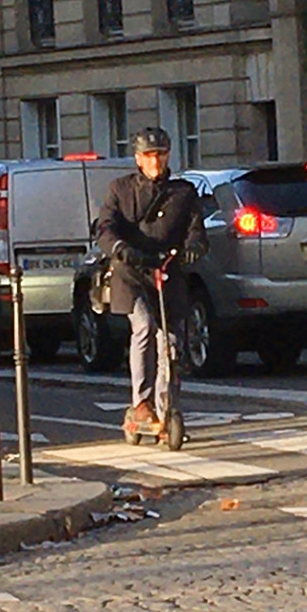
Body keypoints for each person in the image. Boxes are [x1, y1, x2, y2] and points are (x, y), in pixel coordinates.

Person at [97, 127, 208, 431]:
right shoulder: (120, 189)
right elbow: (105, 228)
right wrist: (120, 248)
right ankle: (141, 402)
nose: (155, 162)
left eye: (160, 154)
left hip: (167, 272)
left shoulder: (183, 192)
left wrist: (193, 248)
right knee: (144, 326)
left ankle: (166, 407)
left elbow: (196, 229)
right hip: (131, 274)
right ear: (138, 159)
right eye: (149, 155)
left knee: (169, 341)